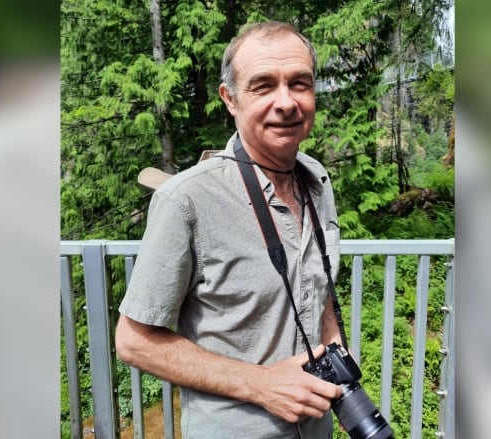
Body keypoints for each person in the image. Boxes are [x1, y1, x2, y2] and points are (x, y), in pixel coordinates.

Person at [115, 21, 344, 438]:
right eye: (263, 85)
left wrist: (335, 345)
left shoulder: (317, 179)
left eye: (300, 83)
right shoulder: (187, 199)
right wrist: (260, 385)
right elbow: (133, 341)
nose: (286, 102)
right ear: (230, 99)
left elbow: (319, 287)